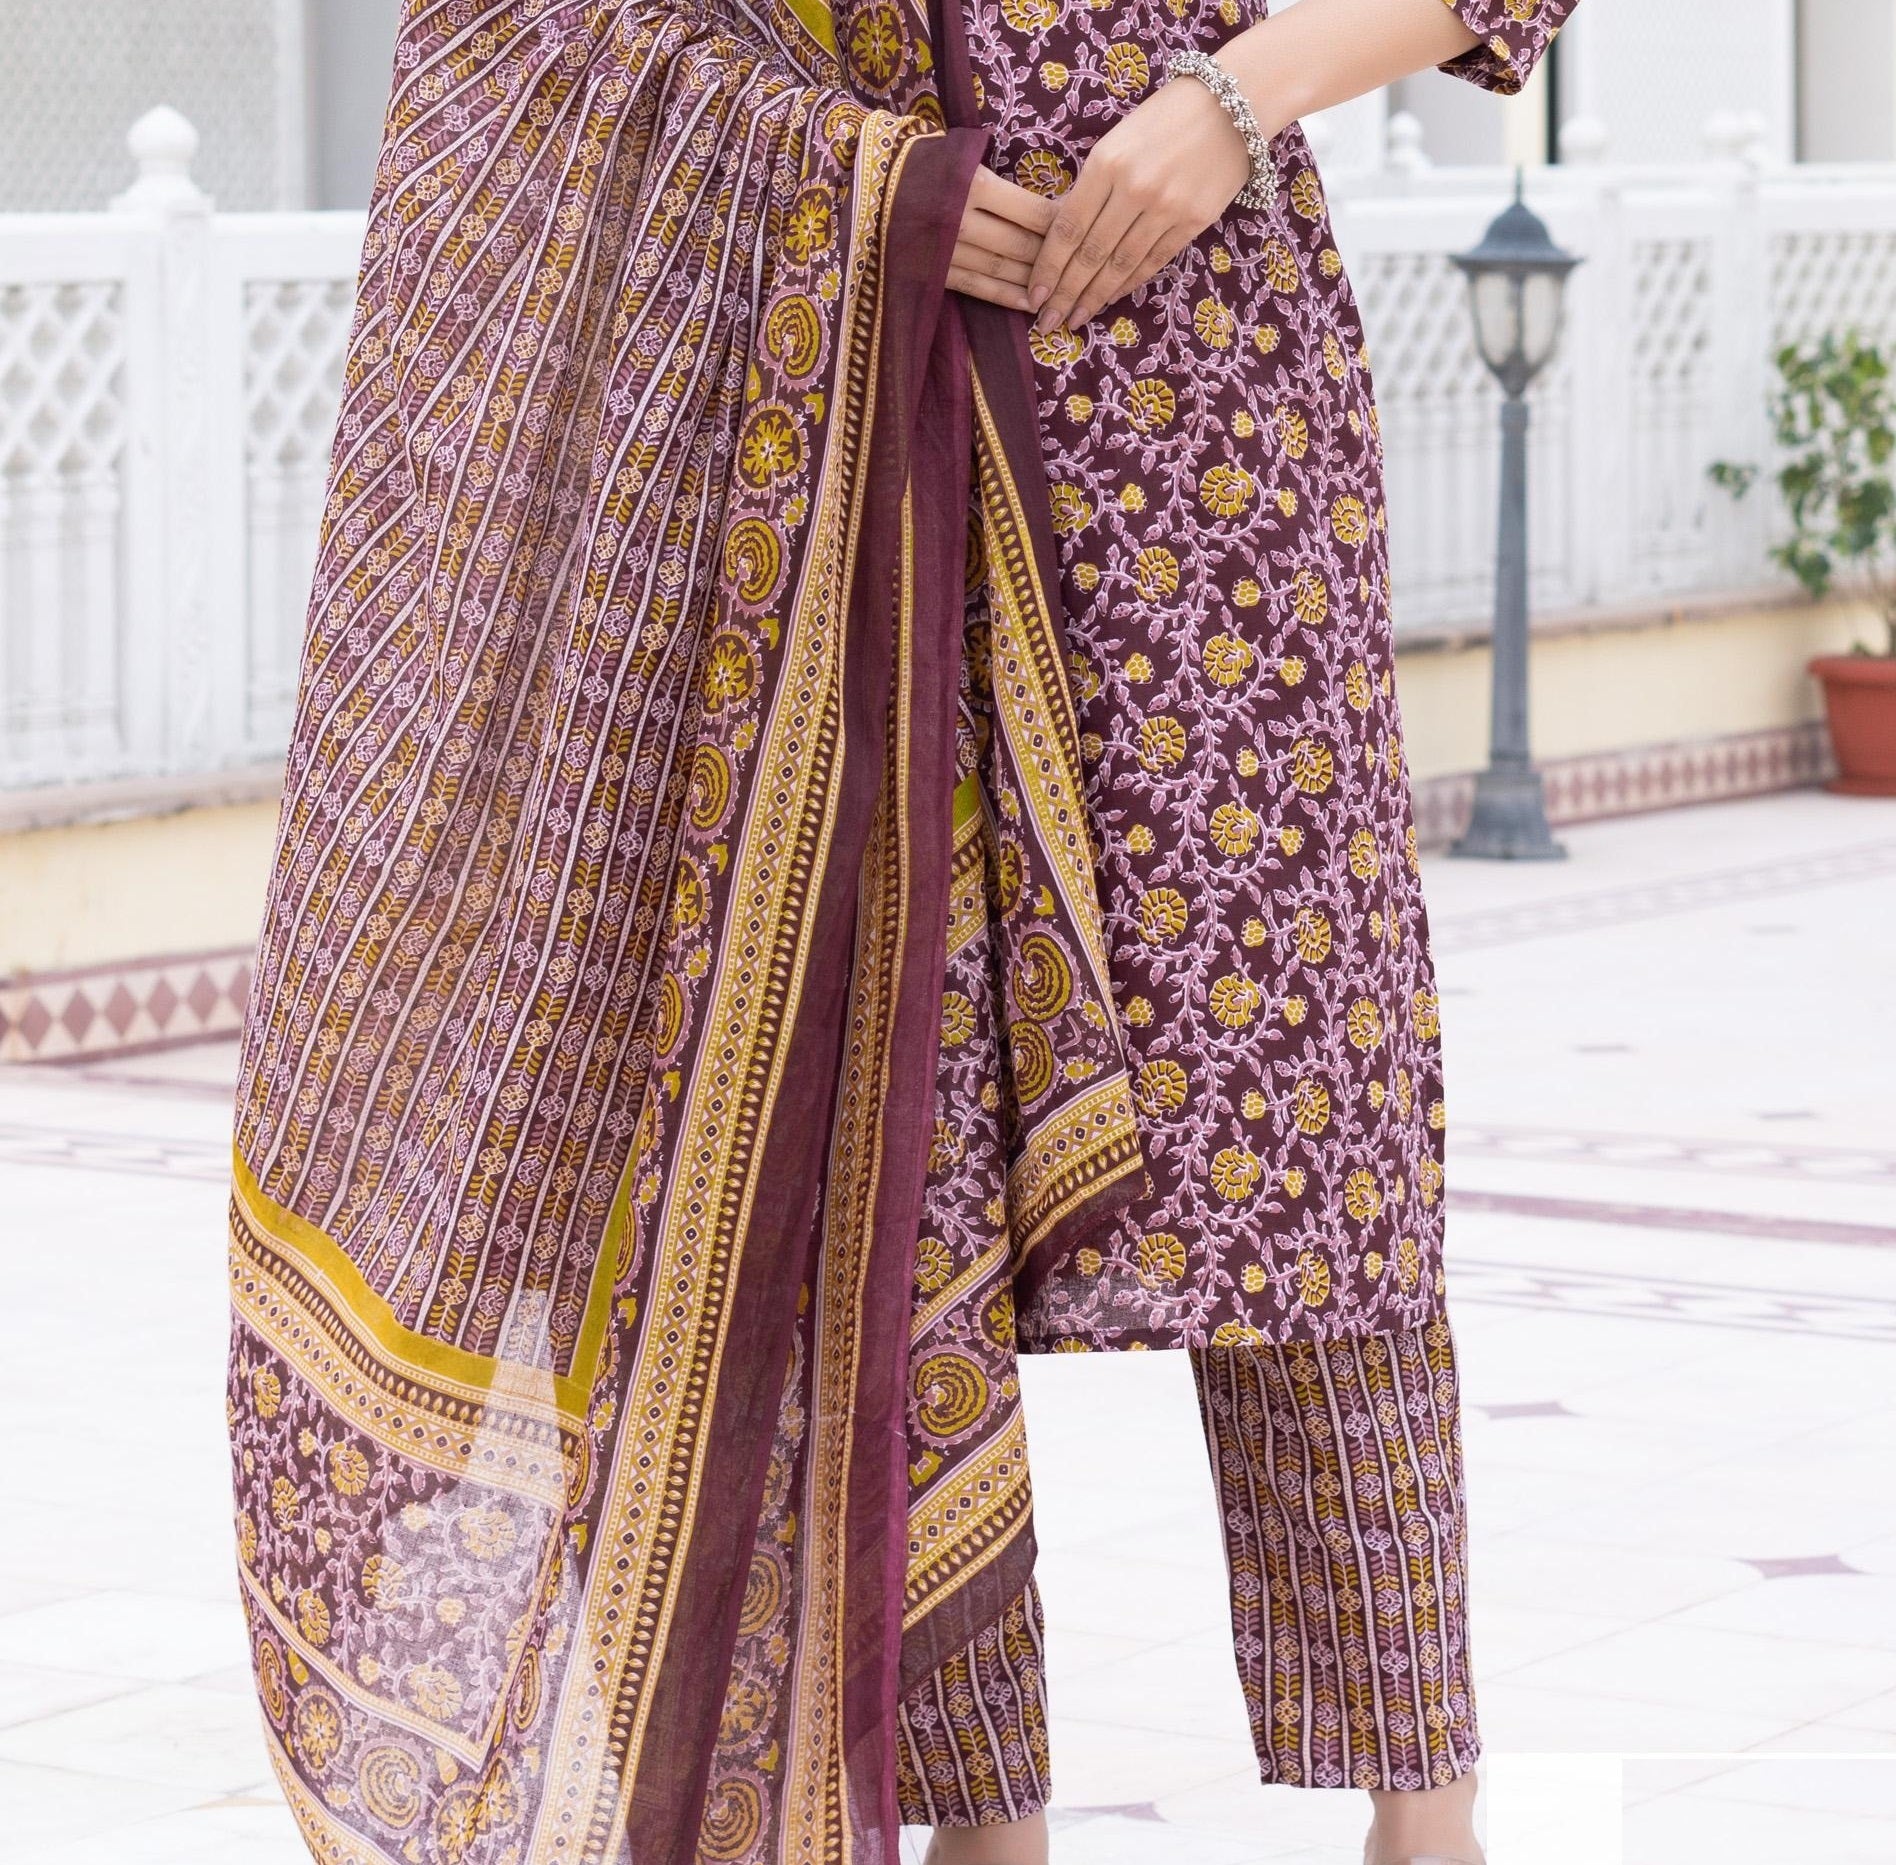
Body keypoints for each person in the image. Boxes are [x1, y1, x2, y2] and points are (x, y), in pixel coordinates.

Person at [223, 4, 1574, 1865]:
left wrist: (1229, 101)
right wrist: (871, 190)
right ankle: (974, 1829)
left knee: (1308, 1133)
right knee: (887, 1157)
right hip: (834, 431)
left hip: (1201, 422)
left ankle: (1431, 1819)